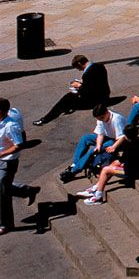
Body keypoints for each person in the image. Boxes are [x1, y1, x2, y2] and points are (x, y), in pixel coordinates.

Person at [35, 53, 110, 126]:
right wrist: (83, 83)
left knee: (67, 98)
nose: (79, 70)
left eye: (78, 68)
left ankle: (45, 119)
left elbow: (86, 91)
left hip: (95, 100)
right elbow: (96, 82)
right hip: (104, 95)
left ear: (79, 63)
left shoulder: (87, 74)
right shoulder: (100, 66)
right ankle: (66, 107)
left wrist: (78, 86)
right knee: (71, 98)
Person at [0, 95, 38, 234]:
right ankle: (26, 191)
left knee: (2, 193)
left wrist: (2, 154)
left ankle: (5, 224)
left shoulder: (11, 126)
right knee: (4, 189)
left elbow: (18, 145)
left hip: (7, 162)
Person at [63, 103, 124, 182]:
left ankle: (75, 170)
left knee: (93, 150)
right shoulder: (101, 119)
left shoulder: (116, 119)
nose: (101, 120)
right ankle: (75, 164)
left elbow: (122, 137)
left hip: (117, 141)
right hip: (108, 137)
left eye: (102, 118)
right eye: (99, 119)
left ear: (106, 112)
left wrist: (113, 147)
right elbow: (100, 134)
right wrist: (98, 145)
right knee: (86, 138)